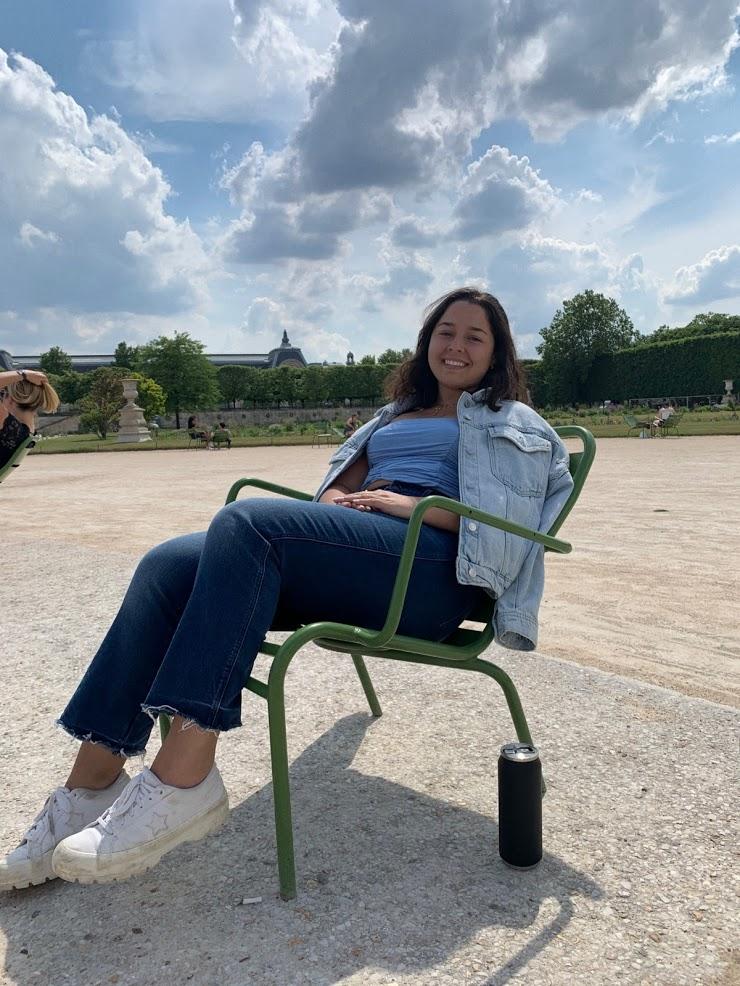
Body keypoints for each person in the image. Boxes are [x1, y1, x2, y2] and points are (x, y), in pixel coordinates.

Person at [0, 287, 574, 891]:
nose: (456, 345)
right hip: (360, 552)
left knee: (247, 522)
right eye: (445, 332)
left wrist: (410, 506)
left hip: (431, 573)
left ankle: (184, 777)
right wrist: (342, 500)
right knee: (167, 565)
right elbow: (335, 489)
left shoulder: (516, 424)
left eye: (474, 337)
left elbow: (510, 528)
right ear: (427, 342)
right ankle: (91, 783)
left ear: (497, 352)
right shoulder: (394, 415)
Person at [0, 368, 60, 469]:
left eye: (2, 394)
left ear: (10, 399)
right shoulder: (26, 431)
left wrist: (23, 374)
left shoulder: (9, 427)